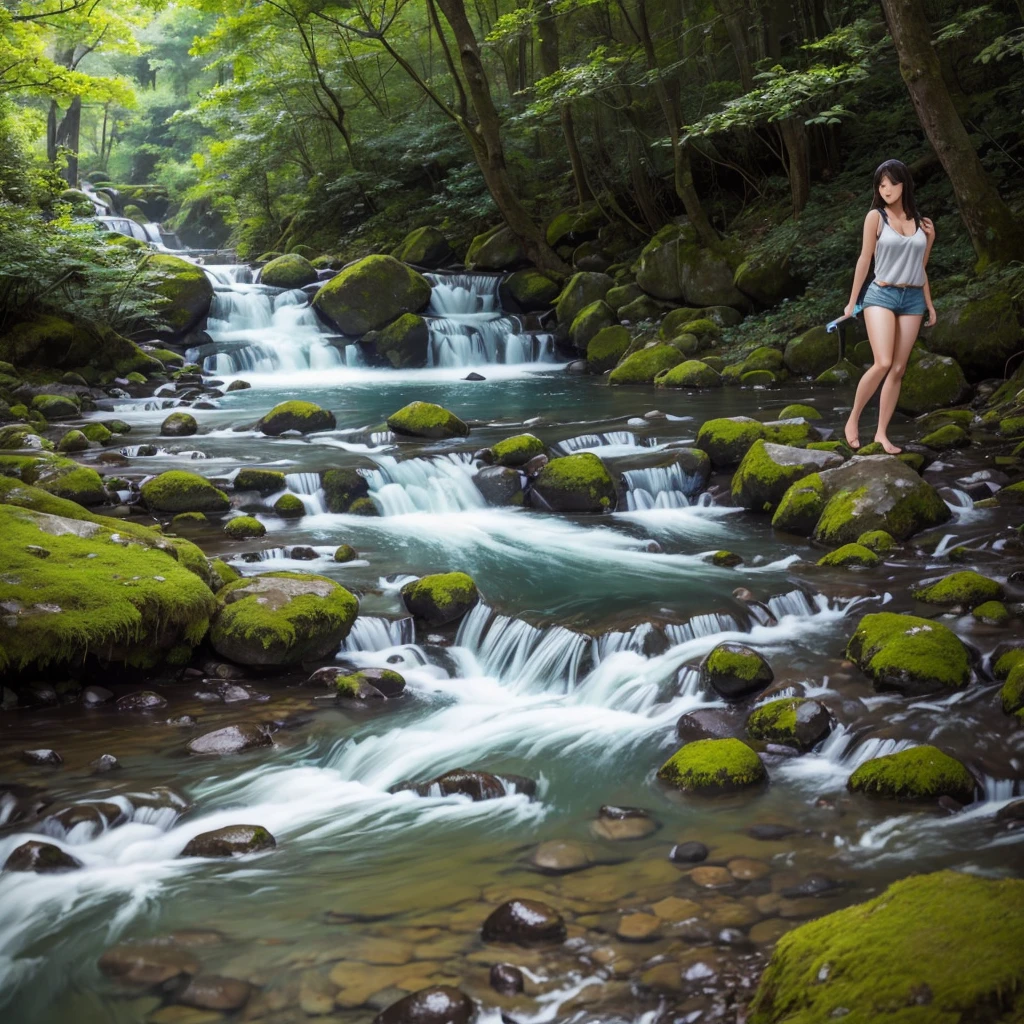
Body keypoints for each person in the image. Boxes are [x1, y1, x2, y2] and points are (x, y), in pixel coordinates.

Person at [843, 159, 937, 454]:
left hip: (912, 300)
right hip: (880, 296)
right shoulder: (876, 217)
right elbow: (864, 259)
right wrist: (852, 301)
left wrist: (929, 304)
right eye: (880, 184)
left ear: (903, 184)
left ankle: (882, 434)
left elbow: (920, 268)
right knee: (882, 362)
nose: (885, 189)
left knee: (898, 368)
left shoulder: (921, 223)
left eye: (890, 183)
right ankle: (853, 420)